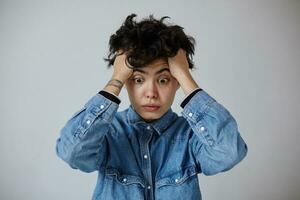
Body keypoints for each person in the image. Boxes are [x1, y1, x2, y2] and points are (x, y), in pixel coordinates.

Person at [55, 13, 248, 200]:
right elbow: (71, 152)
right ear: (127, 82)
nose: (151, 93)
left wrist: (184, 74)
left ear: (176, 82)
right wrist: (116, 78)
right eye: (138, 79)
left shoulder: (191, 136)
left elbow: (230, 152)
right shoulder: (108, 133)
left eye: (163, 80)